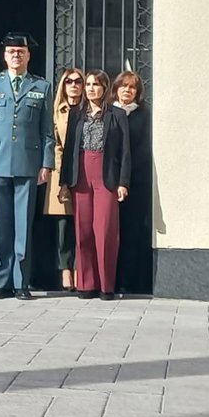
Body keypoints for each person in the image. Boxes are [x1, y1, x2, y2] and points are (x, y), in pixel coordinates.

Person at [0, 32, 55, 300]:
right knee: (0, 224)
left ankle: (21, 282)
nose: (16, 56)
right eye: (11, 51)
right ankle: (1, 281)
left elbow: (47, 131)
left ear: (28, 55)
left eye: (20, 51)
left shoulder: (41, 87)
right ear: (4, 55)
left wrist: (47, 163)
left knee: (23, 225)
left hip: (27, 163)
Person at [59, 70, 130, 300]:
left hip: (106, 176)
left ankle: (106, 286)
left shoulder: (116, 114)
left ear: (105, 88)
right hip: (80, 174)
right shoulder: (76, 114)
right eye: (88, 84)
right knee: (83, 231)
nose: (90, 88)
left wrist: (123, 182)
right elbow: (69, 148)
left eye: (96, 85)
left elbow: (125, 152)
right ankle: (86, 284)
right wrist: (63, 183)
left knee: (105, 231)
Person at [112, 69, 153, 295]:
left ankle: (128, 282)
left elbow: (143, 149)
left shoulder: (144, 115)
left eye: (132, 87)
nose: (127, 90)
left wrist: (127, 179)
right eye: (123, 86)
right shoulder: (109, 113)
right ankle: (111, 280)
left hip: (137, 184)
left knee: (132, 233)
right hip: (110, 182)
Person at [45, 68, 83, 291]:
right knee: (62, 227)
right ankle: (65, 271)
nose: (74, 85)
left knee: (83, 225)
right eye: (69, 81)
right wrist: (61, 176)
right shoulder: (56, 111)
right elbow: (54, 144)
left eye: (78, 81)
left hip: (85, 172)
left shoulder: (89, 110)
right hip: (61, 173)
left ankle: (80, 269)